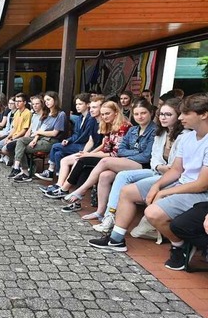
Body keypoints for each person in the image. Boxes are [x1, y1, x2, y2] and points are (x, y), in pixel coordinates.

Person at [89, 93, 208, 271]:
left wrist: (163, 192)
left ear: (203, 114)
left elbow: (201, 184)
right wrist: (157, 185)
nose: (180, 117)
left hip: (198, 192)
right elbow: (176, 170)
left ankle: (178, 246)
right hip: (181, 183)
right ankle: (116, 239)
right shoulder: (187, 137)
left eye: (185, 113)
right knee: (127, 191)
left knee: (153, 213)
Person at [92, 98, 184, 233]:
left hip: (170, 176)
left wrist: (163, 168)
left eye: (168, 114)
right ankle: (109, 215)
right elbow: (153, 157)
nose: (163, 118)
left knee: (107, 165)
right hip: (157, 170)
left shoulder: (183, 136)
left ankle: (78, 192)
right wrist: (159, 167)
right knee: (117, 174)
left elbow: (149, 157)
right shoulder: (160, 133)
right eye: (162, 114)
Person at [60, 99, 155, 213]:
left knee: (94, 161)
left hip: (142, 165)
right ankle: (101, 212)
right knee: (103, 175)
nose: (139, 117)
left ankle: (74, 190)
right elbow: (120, 150)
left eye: (143, 113)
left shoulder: (142, 129)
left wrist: (127, 154)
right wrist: (132, 153)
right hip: (123, 160)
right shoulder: (133, 129)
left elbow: (145, 156)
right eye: (136, 114)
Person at [44, 101, 130, 199]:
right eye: (103, 114)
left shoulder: (123, 126)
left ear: (116, 113)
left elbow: (115, 152)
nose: (105, 116)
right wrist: (87, 153)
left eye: (107, 113)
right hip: (105, 155)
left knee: (82, 161)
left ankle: (65, 189)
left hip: (119, 158)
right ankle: (73, 197)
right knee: (80, 162)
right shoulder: (107, 123)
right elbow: (104, 145)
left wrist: (88, 154)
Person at [36, 93, 102, 181]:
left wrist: (72, 142)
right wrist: (68, 140)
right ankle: (59, 177)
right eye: (76, 104)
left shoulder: (91, 118)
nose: (77, 106)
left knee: (55, 146)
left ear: (87, 105)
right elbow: (75, 133)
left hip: (85, 145)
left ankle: (50, 171)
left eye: (80, 104)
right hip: (78, 143)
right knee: (58, 153)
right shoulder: (80, 118)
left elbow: (84, 137)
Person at [9, 91, 66, 182]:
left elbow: (54, 133)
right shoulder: (46, 113)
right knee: (20, 141)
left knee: (20, 147)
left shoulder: (60, 114)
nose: (46, 102)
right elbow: (40, 130)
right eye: (45, 100)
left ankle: (25, 173)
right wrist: (35, 139)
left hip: (51, 141)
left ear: (55, 100)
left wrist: (38, 134)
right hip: (40, 138)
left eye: (48, 100)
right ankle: (17, 168)